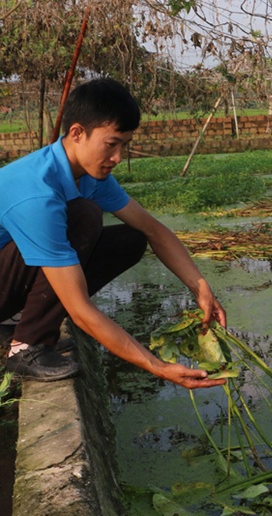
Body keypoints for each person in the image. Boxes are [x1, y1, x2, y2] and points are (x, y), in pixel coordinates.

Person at [0, 78, 227, 389]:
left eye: (124, 145)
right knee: (83, 215)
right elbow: (80, 309)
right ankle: (25, 348)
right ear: (77, 133)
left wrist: (200, 287)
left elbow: (153, 229)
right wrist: (156, 365)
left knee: (131, 239)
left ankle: (24, 322)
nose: (118, 157)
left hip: (7, 280)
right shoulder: (37, 192)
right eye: (111, 144)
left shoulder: (89, 176)